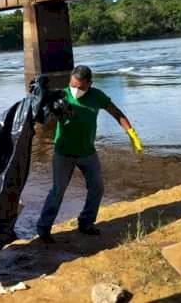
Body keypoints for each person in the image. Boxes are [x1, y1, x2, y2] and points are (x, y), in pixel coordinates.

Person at [36, 65, 143, 243]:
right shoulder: (61, 95)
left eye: (80, 87)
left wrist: (132, 135)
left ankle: (86, 223)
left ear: (89, 84)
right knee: (57, 191)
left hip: (87, 153)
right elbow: (42, 121)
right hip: (63, 153)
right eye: (73, 85)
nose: (75, 90)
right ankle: (44, 228)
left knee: (97, 187)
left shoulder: (97, 96)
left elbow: (117, 114)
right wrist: (51, 111)